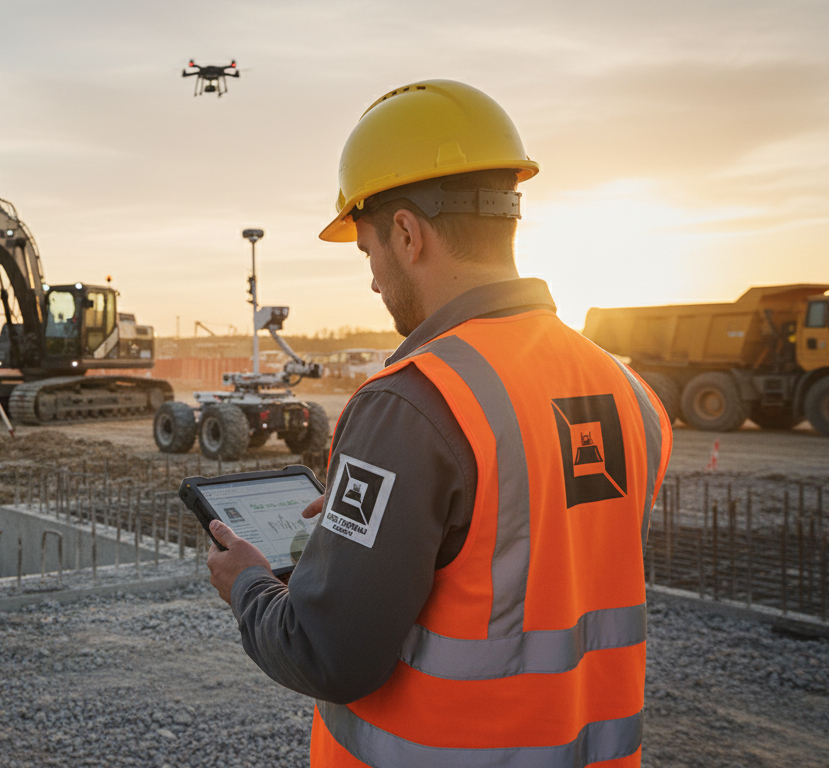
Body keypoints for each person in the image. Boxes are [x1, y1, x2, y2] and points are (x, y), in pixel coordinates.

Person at [206, 80, 673, 767]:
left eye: (368, 254)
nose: (372, 282)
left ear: (406, 233)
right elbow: (522, 555)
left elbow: (328, 653)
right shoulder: (628, 389)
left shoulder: (413, 403)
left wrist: (247, 586)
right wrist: (385, 527)